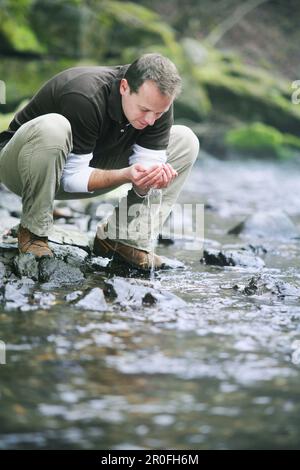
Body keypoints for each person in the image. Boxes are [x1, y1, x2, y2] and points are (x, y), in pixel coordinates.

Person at [0, 53, 199, 270]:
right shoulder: (84, 94)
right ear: (124, 87)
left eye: (158, 113)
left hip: (90, 163)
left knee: (185, 140)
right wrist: (126, 174)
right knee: (53, 127)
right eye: (144, 110)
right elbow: (70, 179)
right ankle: (33, 232)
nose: (151, 120)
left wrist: (146, 183)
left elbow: (145, 168)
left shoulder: (158, 104)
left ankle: (120, 240)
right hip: (22, 167)